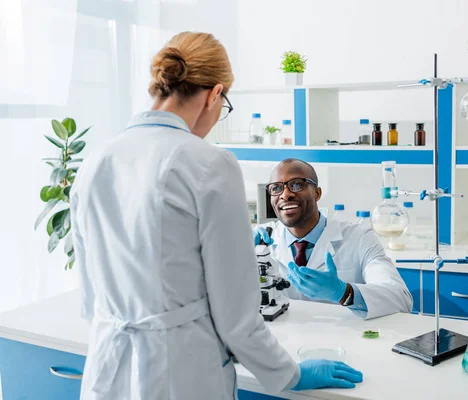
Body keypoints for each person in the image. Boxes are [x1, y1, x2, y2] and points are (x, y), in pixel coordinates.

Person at [71, 32, 362, 400]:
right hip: (179, 372)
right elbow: (236, 317)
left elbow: (89, 297)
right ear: (214, 93)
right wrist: (289, 374)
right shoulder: (209, 163)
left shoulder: (95, 161)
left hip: (107, 368)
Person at [255, 159, 413, 320]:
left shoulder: (359, 238)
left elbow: (401, 299)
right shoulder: (260, 241)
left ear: (317, 193)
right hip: (281, 340)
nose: (285, 194)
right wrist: (237, 258)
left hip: (342, 342)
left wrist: (344, 292)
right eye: (276, 188)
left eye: (297, 184)